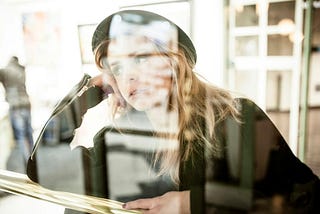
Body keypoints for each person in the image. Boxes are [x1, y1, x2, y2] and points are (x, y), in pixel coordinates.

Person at [27, 10, 319, 213]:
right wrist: (87, 92)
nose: (128, 77)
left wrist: (195, 204)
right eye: (117, 68)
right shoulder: (116, 138)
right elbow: (44, 170)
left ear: (173, 60)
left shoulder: (235, 117)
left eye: (140, 59)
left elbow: (304, 198)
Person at [0, 56, 34, 167]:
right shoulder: (21, 70)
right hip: (26, 103)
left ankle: (27, 162)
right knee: (29, 134)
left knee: (22, 136)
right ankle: (33, 159)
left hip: (16, 107)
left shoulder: (6, 71)